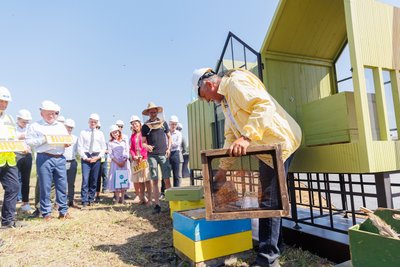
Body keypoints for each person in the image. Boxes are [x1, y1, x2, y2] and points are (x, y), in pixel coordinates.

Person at [192, 67, 302, 267]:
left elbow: (264, 105)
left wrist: (246, 136)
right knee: (271, 198)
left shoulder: (235, 82)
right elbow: (230, 137)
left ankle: (267, 259)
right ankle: (275, 246)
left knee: (269, 201)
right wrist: (223, 168)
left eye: (205, 97)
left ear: (208, 84)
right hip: (267, 147)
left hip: (280, 143)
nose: (208, 101)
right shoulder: (226, 101)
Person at [26, 100, 72, 221]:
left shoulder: (60, 126)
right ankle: (46, 213)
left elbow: (67, 139)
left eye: (53, 113)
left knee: (62, 185)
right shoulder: (35, 126)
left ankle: (63, 212)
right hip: (44, 157)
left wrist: (67, 143)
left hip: (60, 158)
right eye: (48, 113)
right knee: (45, 186)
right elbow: (29, 142)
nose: (51, 116)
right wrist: (44, 139)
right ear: (42, 113)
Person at [0, 86, 24, 229]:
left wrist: (21, 145)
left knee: (14, 187)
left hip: (9, 160)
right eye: (1, 101)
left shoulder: (9, 118)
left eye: (6, 102)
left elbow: (13, 137)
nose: (4, 104)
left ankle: (7, 221)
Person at [141, 102, 172, 214]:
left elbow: (169, 137)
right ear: (148, 113)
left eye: (154, 111)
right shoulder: (145, 126)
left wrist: (168, 149)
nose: (153, 113)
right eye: (151, 112)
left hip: (163, 154)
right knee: (155, 180)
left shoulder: (163, 123)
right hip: (152, 156)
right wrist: (147, 146)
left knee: (167, 179)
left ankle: (171, 204)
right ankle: (157, 205)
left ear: (157, 112)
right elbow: (143, 142)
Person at [77, 113, 106, 208]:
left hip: (96, 157)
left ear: (97, 123)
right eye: (91, 121)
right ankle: (84, 200)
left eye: (95, 122)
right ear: (88, 121)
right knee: (85, 179)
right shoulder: (83, 132)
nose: (93, 123)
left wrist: (98, 157)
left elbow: (103, 147)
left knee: (94, 179)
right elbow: (79, 147)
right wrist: (85, 157)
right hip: (86, 157)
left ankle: (91, 198)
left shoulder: (100, 133)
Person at [129, 115, 151, 205]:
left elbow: (146, 145)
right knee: (139, 180)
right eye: (133, 124)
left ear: (140, 124)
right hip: (136, 160)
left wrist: (142, 156)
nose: (135, 125)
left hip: (144, 159)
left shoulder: (144, 134)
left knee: (146, 179)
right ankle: (142, 198)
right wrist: (134, 156)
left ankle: (149, 199)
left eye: (136, 123)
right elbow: (131, 148)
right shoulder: (133, 136)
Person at [107, 125, 131, 204]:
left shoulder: (124, 141)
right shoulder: (110, 143)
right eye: (113, 133)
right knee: (116, 181)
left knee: (123, 181)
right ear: (111, 134)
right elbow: (111, 154)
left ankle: (123, 199)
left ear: (119, 132)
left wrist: (124, 160)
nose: (115, 134)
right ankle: (117, 199)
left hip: (124, 163)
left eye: (116, 132)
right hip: (115, 164)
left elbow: (127, 151)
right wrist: (118, 162)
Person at [15, 109, 33, 213]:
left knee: (26, 180)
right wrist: (19, 137)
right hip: (16, 155)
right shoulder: (12, 128)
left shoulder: (30, 129)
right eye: (23, 121)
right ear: (18, 119)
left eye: (27, 121)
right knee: (15, 180)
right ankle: (15, 202)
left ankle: (25, 203)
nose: (25, 123)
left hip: (27, 155)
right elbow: (9, 139)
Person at [63, 118, 79, 208]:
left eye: (71, 128)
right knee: (62, 183)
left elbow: (76, 150)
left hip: (72, 161)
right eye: (68, 127)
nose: (69, 129)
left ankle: (71, 200)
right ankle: (62, 201)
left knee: (71, 182)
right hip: (62, 161)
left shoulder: (75, 138)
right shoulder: (60, 138)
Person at [95, 121, 108, 203]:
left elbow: (106, 148)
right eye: (96, 127)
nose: (97, 128)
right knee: (96, 177)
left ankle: (104, 189)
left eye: (98, 127)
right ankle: (94, 194)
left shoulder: (101, 136)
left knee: (104, 175)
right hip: (95, 160)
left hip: (103, 160)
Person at [168, 115, 183, 187]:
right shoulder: (166, 133)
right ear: (169, 124)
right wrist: (170, 144)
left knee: (176, 174)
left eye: (175, 124)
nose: (173, 126)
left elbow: (177, 144)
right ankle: (164, 192)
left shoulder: (178, 133)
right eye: (172, 124)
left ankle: (176, 191)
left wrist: (169, 144)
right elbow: (164, 143)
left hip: (175, 154)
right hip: (167, 154)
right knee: (166, 174)